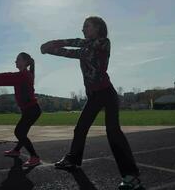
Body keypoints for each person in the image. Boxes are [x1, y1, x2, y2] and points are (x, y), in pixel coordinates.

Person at [40, 16, 144, 189]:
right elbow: (75, 42)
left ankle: (131, 176)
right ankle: (72, 160)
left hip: (107, 93)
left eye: (86, 26)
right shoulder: (86, 43)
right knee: (80, 128)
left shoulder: (103, 42)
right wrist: (51, 44)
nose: (83, 29)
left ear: (98, 28)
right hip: (94, 96)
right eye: (83, 27)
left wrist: (51, 48)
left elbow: (76, 50)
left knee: (113, 131)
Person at [0, 52, 42, 167]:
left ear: (25, 62)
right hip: (30, 110)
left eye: (18, 59)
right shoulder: (26, 74)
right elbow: (9, 77)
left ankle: (35, 157)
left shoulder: (23, 75)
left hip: (32, 110)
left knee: (19, 132)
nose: (15, 61)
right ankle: (17, 150)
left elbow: (6, 77)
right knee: (22, 132)